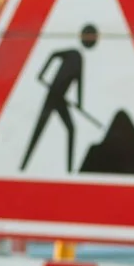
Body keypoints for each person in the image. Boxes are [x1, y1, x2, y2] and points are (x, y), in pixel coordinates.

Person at [22, 23, 100, 172]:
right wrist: (42, 73)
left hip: (60, 99)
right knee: (38, 129)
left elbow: (79, 83)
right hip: (52, 95)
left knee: (71, 129)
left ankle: (70, 172)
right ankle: (23, 166)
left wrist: (79, 103)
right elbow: (53, 54)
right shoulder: (72, 53)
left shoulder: (80, 60)